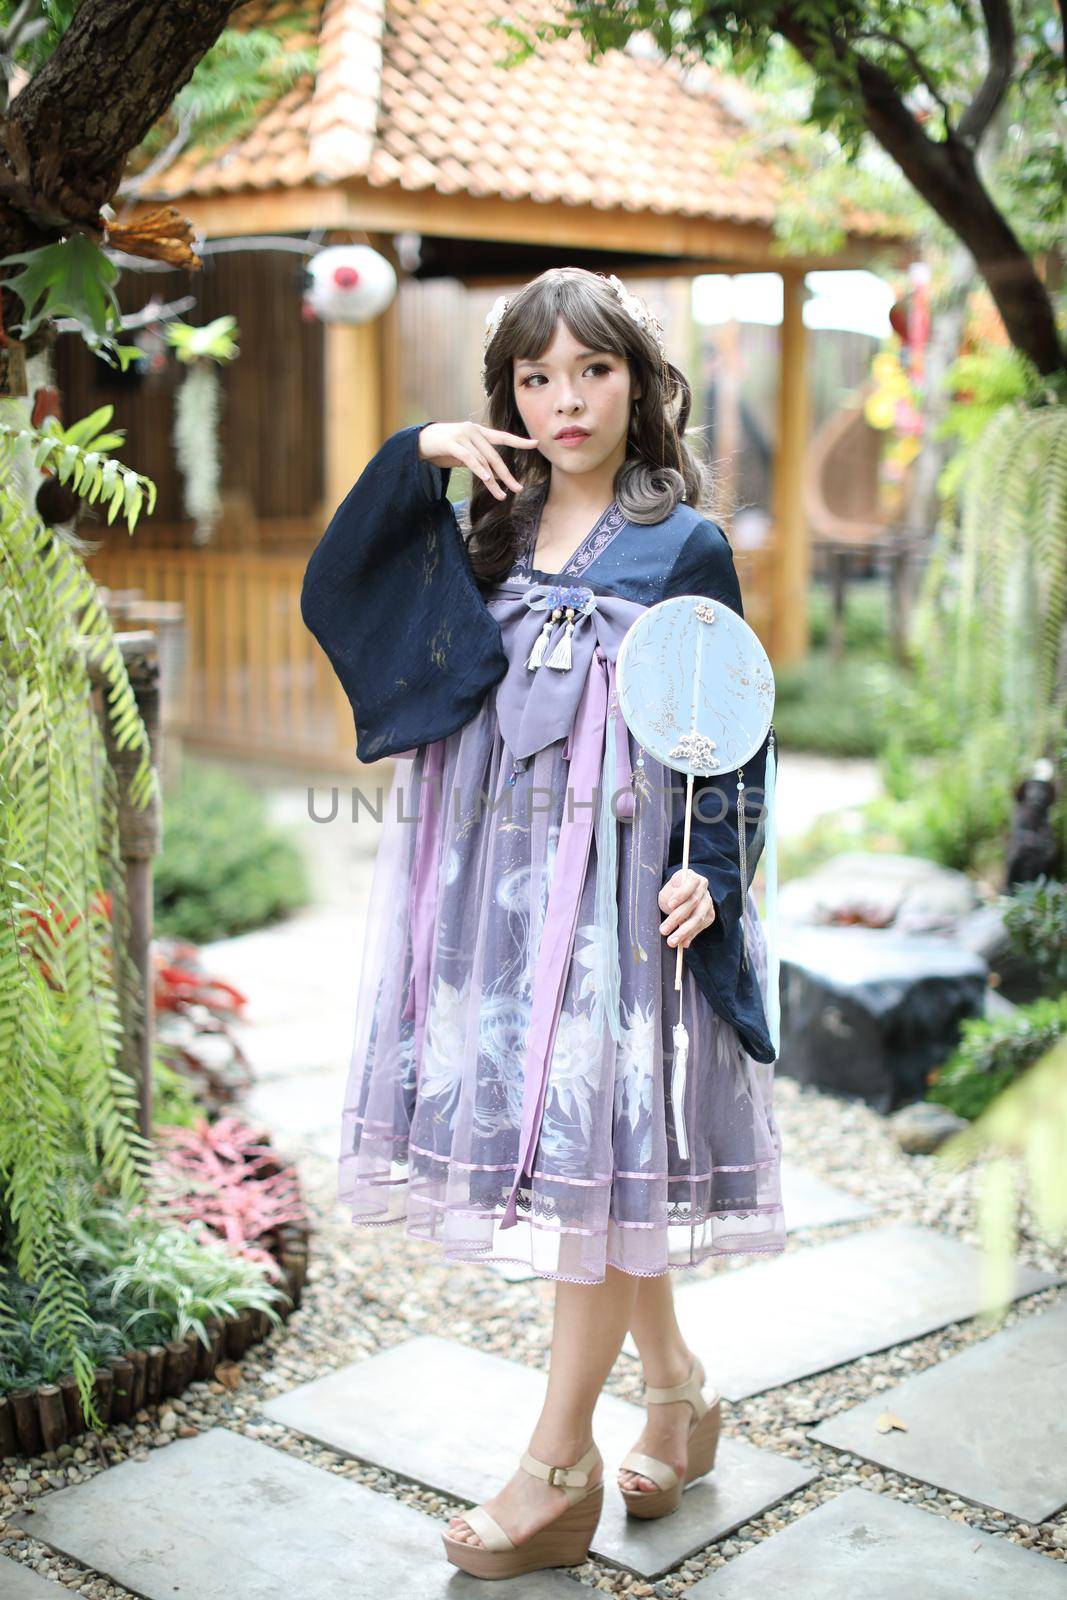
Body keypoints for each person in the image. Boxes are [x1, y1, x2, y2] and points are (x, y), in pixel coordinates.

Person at [300, 266, 785, 1580]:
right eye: (535, 377)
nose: (565, 400)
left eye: (593, 371)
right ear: (507, 393)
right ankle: (677, 1392)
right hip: (493, 887)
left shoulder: (681, 541)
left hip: (623, 901)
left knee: (595, 1148)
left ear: (639, 382)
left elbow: (731, 728)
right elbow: (341, 591)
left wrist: (719, 875)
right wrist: (417, 460)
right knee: (602, 1163)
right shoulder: (489, 525)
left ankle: (557, 1466)